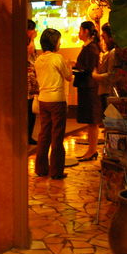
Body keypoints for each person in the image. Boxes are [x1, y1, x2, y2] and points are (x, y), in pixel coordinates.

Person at [34, 28, 73, 179]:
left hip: (43, 100)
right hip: (57, 100)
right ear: (54, 42)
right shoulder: (58, 58)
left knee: (44, 134)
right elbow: (68, 77)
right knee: (57, 135)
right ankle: (56, 171)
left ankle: (41, 168)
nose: (60, 43)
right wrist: (69, 65)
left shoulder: (38, 60)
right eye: (59, 40)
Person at [74, 21, 102, 161]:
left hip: (89, 87)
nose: (79, 33)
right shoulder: (89, 46)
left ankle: (92, 151)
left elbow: (87, 69)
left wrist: (74, 67)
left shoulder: (91, 48)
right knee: (91, 122)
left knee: (92, 121)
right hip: (87, 86)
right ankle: (91, 150)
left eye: (80, 30)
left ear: (85, 31)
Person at [92, 23, 117, 118]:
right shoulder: (109, 52)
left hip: (108, 91)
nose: (102, 37)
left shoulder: (113, 53)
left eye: (104, 35)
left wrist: (95, 75)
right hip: (105, 91)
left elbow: (110, 75)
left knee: (111, 120)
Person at [26, 19, 39, 145]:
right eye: (32, 29)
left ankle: (29, 135)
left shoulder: (30, 42)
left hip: (32, 80)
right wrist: (32, 39)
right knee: (28, 109)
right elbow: (29, 52)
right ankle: (26, 136)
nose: (34, 32)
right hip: (27, 81)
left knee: (31, 109)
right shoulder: (26, 42)